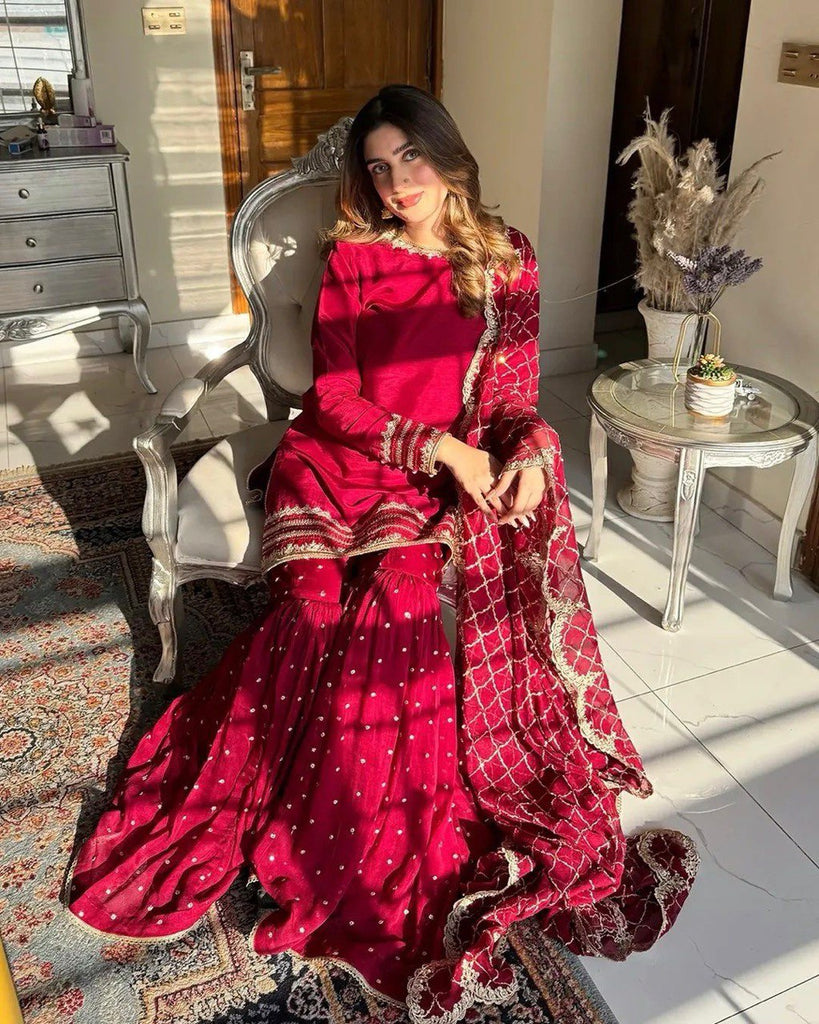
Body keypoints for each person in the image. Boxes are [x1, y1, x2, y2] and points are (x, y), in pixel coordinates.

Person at [63, 85, 698, 1023]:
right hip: (331, 469)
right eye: (379, 167)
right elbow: (332, 403)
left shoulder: (506, 259)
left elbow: (514, 397)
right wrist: (442, 449)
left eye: (412, 158)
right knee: (312, 610)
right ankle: (256, 800)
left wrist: (528, 453)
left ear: (448, 154)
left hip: (422, 489)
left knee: (394, 618)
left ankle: (358, 848)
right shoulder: (355, 255)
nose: (398, 182)